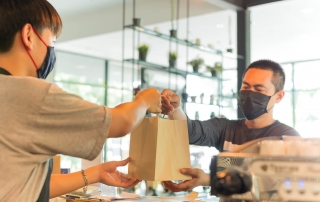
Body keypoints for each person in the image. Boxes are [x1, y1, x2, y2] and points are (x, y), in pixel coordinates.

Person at [0, 0, 161, 201]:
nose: (52, 49)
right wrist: (145, 100)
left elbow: (22, 185)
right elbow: (121, 121)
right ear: (29, 35)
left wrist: (93, 174)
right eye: (52, 41)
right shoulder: (30, 94)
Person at [160, 59, 300, 192]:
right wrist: (175, 108)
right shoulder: (224, 128)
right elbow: (189, 132)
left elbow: (276, 184)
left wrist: (209, 179)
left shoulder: (288, 139)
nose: (250, 94)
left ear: (279, 96)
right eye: (245, 86)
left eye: (259, 89)